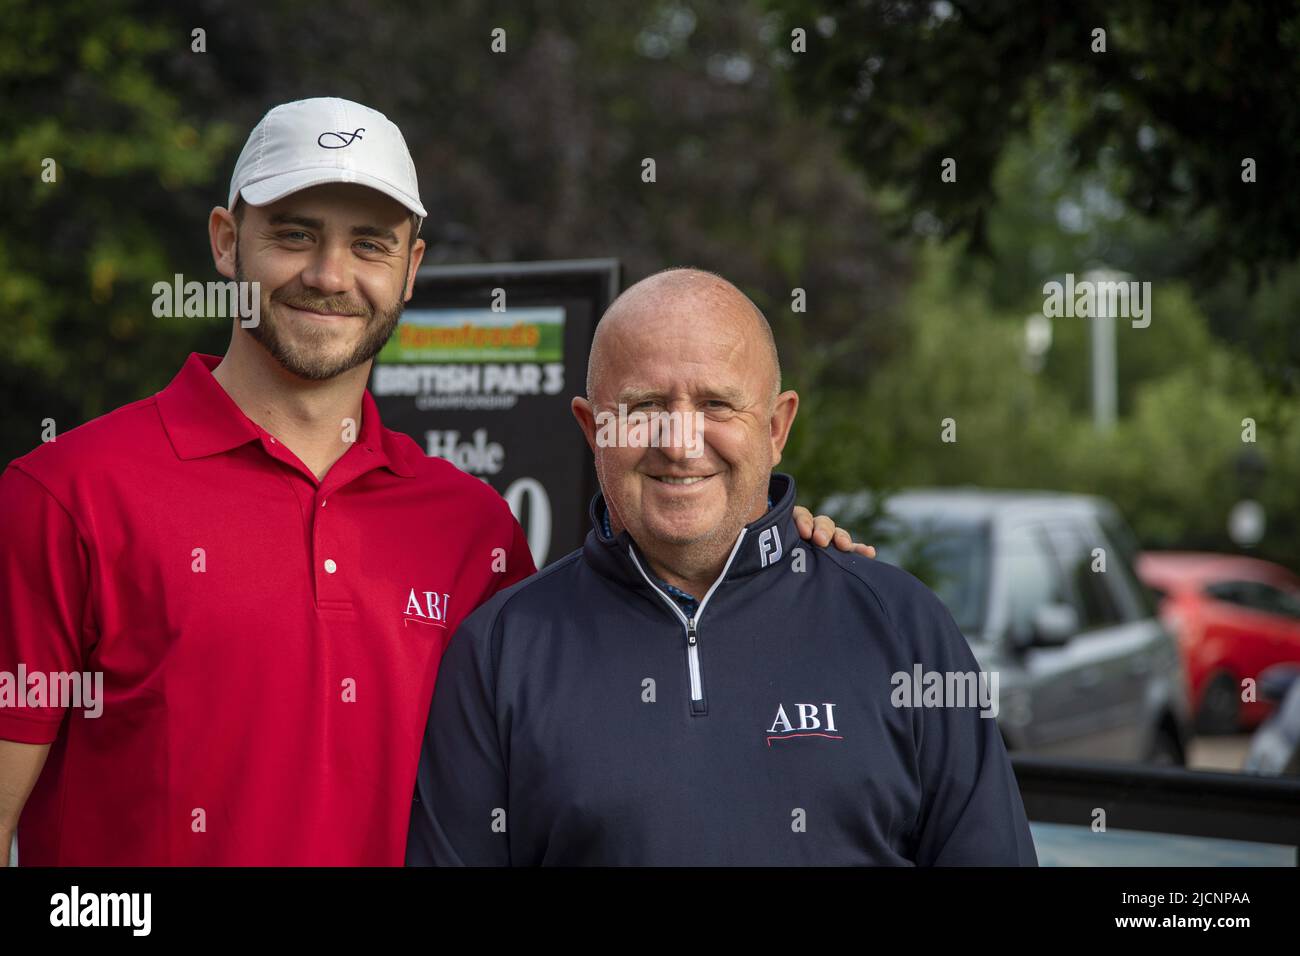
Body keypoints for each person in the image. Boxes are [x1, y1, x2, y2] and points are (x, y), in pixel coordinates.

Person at [0, 99, 867, 865]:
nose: (330, 275)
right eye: (295, 233)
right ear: (228, 244)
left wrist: (766, 547)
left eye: (368, 245)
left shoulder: (474, 531)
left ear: (410, 269)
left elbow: (622, 674)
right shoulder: (61, 497)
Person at [407, 267, 1038, 866]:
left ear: (776, 426)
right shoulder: (498, 653)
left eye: (715, 405)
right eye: (645, 405)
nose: (680, 443)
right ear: (592, 427)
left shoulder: (904, 629)